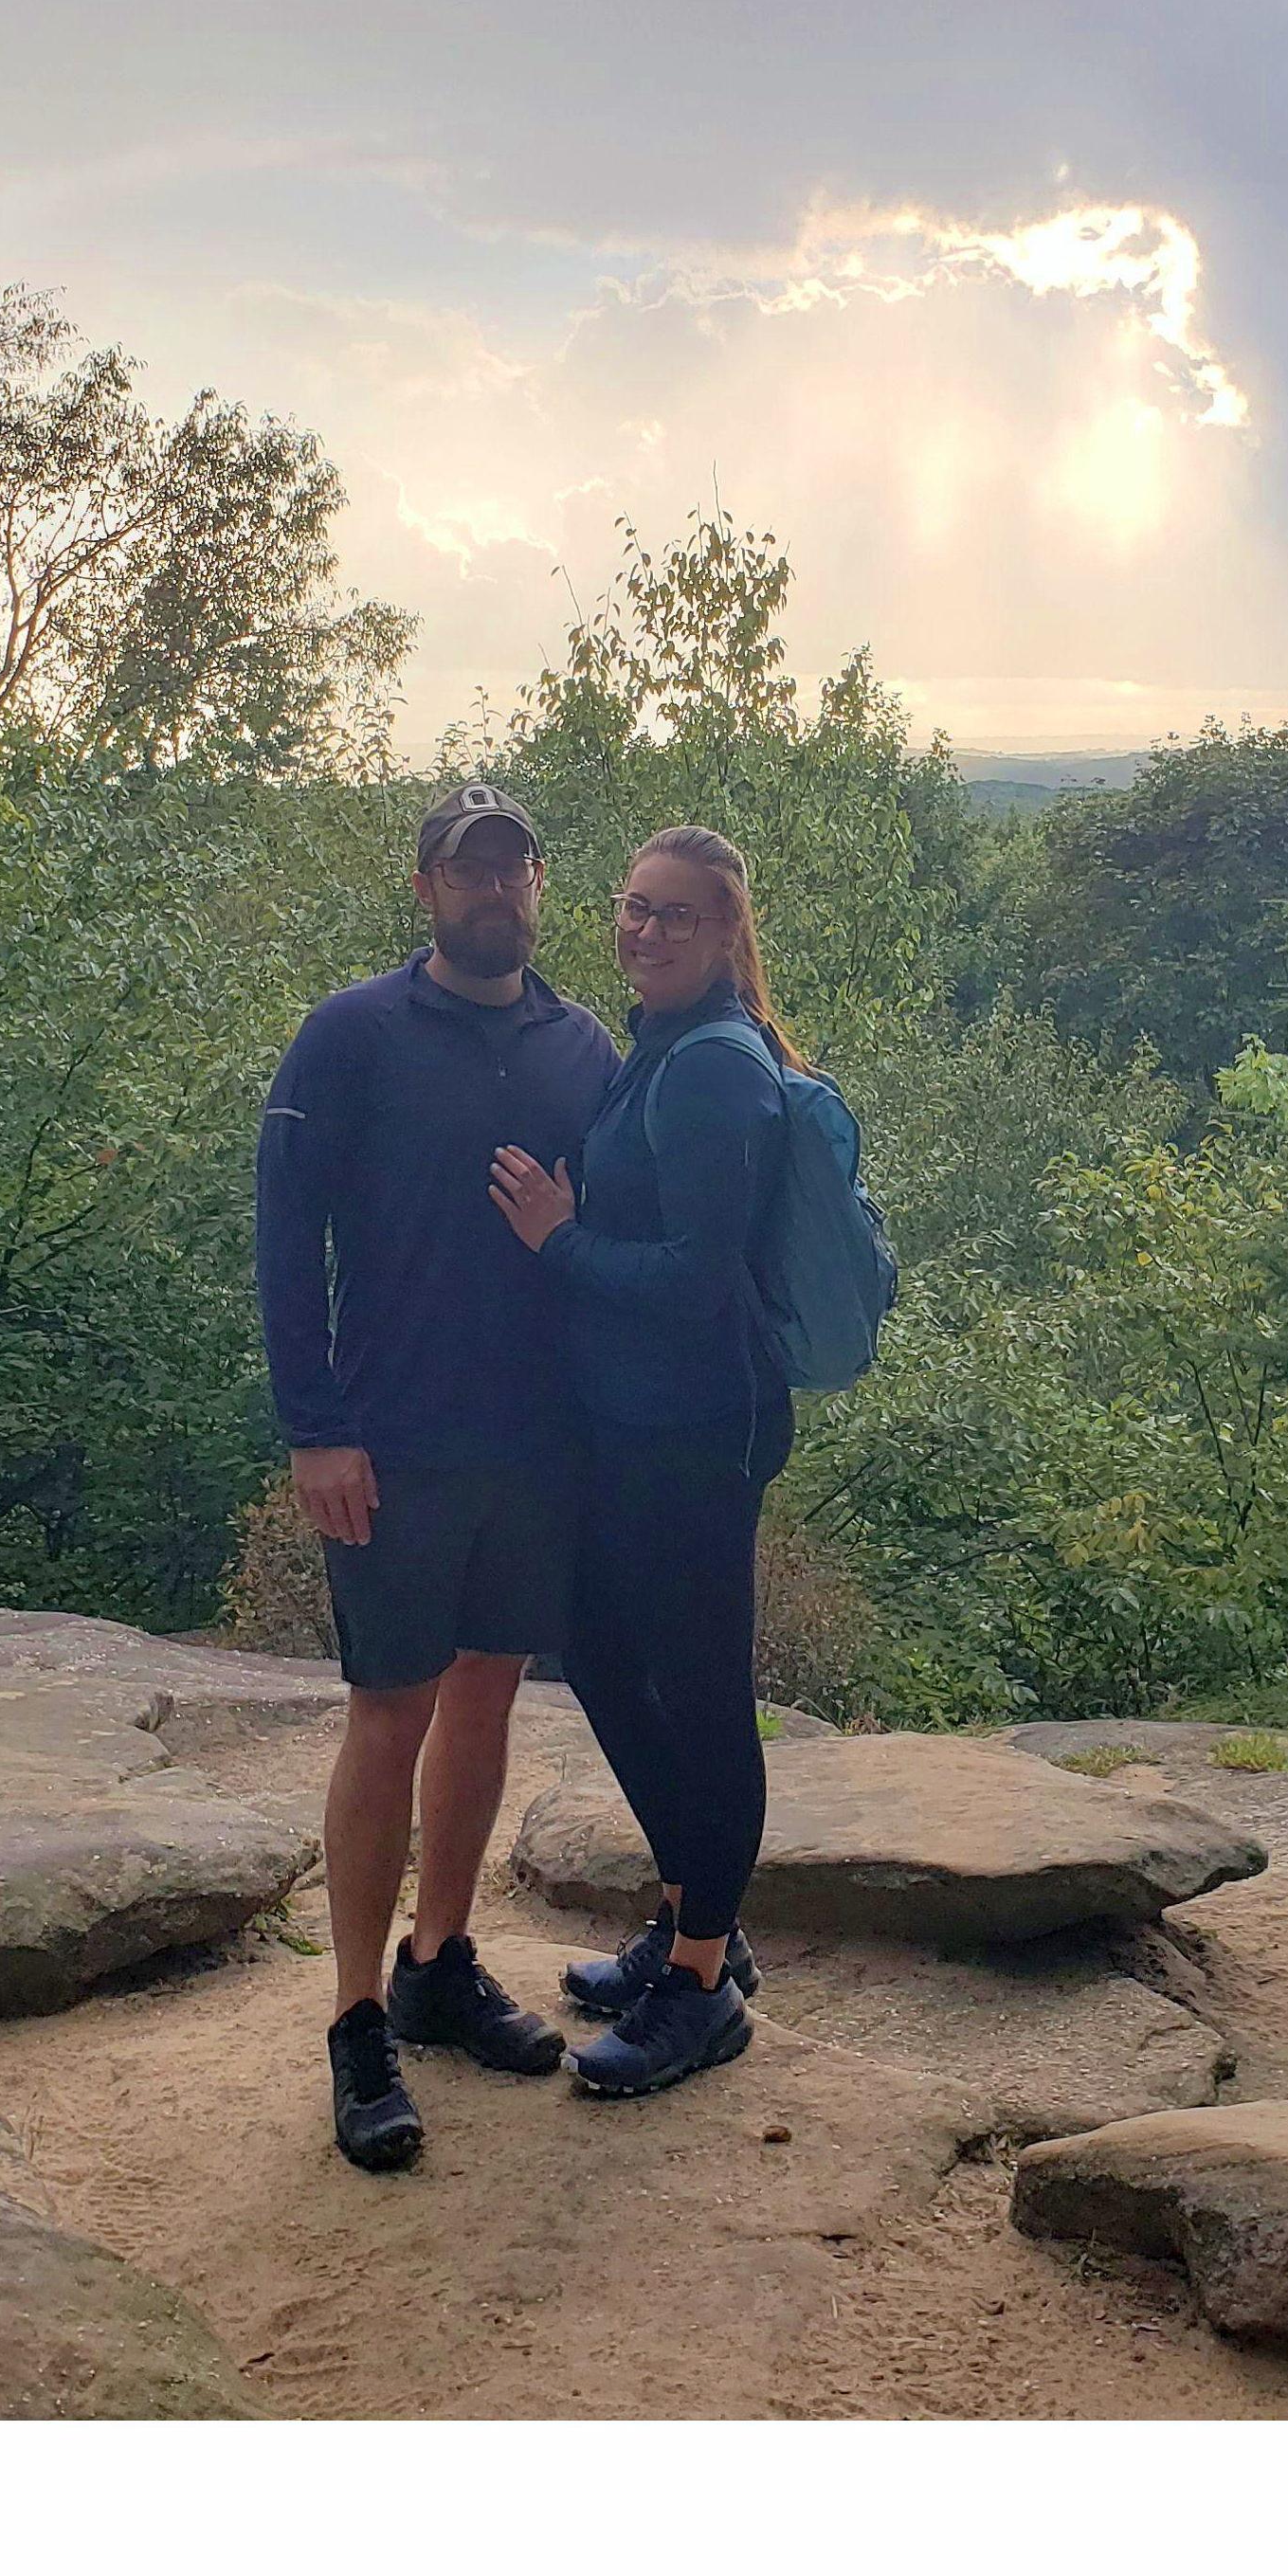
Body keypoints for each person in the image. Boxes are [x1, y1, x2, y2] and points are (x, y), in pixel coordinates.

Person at [256, 781, 620, 2170]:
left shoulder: (579, 1043)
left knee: (484, 1691)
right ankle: (356, 2020)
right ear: (425, 888)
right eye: (468, 870)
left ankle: (440, 1960)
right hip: (392, 1438)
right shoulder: (350, 1035)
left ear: (538, 883)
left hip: (537, 1442)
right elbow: (286, 1238)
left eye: (514, 866)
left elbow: (614, 1219)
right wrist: (314, 1424)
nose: (493, 890)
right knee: (386, 1707)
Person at [487, 824, 796, 2100]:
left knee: (702, 1693)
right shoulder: (658, 1046)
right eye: (632, 906)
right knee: (606, 1656)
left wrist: (558, 1242)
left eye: (675, 915)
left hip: (695, 1430)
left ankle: (703, 1979)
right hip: (637, 1422)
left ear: (726, 932)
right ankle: (690, 1919)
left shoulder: (716, 1067)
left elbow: (692, 1281)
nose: (646, 930)